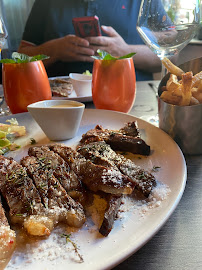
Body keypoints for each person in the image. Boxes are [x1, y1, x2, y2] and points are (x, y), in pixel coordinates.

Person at [18, 0, 162, 81]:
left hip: (132, 102)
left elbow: (171, 56)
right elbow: (19, 61)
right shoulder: (45, 3)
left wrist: (125, 52)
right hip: (58, 105)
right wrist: (53, 51)